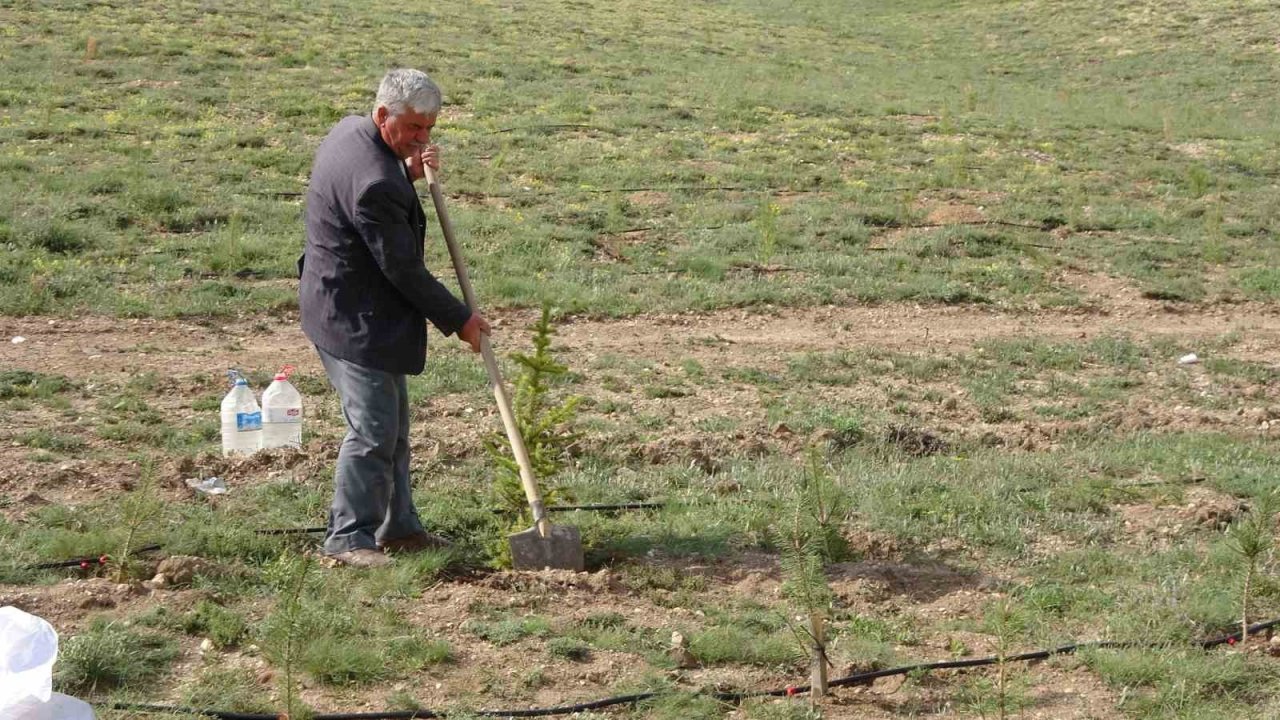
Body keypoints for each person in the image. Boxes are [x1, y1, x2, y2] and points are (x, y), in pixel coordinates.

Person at [299, 68, 490, 568]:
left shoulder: (351, 132)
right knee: (373, 429)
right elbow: (403, 269)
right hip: (354, 317)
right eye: (414, 129)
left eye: (430, 128)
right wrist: (461, 319)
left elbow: (378, 184)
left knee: (393, 426)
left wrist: (408, 170)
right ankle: (347, 538)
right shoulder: (375, 184)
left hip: (343, 299)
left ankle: (399, 528)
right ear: (384, 115)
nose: (423, 139)